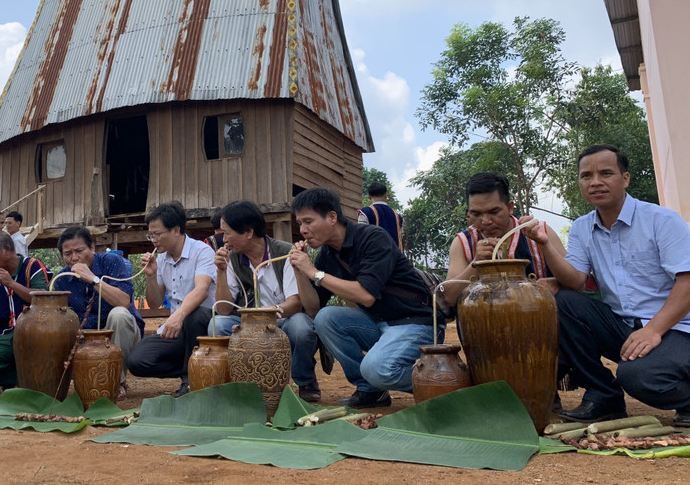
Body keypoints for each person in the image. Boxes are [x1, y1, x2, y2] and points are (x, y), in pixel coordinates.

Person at [523, 145, 690, 425]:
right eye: (586, 176)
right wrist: (544, 244)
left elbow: (687, 283)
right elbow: (575, 282)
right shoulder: (582, 228)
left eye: (606, 173)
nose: (595, 182)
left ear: (625, 178)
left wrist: (653, 330)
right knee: (564, 302)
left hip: (676, 328)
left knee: (639, 377)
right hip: (623, 327)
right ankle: (603, 396)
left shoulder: (661, 220)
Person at [289, 187, 438, 409]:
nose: (303, 230)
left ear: (332, 217)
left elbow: (365, 296)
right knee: (325, 318)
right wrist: (301, 272)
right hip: (379, 324)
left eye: (308, 221)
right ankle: (371, 390)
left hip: (414, 323)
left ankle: (445, 380)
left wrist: (314, 272)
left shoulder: (372, 238)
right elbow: (313, 309)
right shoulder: (328, 254)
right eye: (300, 223)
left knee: (378, 370)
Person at [207, 200, 323, 402]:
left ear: (248, 232)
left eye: (227, 233)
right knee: (218, 324)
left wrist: (269, 312)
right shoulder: (232, 259)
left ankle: (305, 380)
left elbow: (295, 303)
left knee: (301, 328)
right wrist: (221, 271)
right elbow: (224, 310)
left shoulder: (285, 253)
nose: (224, 240)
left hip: (284, 319)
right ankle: (242, 382)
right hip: (249, 323)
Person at [126, 201, 215, 397]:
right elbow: (155, 302)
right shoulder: (162, 259)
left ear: (176, 230)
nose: (153, 240)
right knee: (137, 361)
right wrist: (151, 276)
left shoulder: (202, 251)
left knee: (195, 316)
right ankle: (194, 365)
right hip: (178, 330)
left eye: (157, 234)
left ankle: (189, 381)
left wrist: (178, 316)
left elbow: (202, 291)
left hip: (204, 327)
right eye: (151, 235)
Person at [442, 172, 565, 307]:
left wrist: (557, 282)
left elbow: (576, 281)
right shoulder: (463, 243)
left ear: (510, 207)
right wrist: (476, 262)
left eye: (494, 212)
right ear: (468, 214)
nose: (486, 221)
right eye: (476, 214)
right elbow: (450, 298)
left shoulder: (539, 233)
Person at [54, 226, 145, 400]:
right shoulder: (61, 279)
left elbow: (123, 301)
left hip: (121, 336)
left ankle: (116, 381)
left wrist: (93, 279)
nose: (74, 258)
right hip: (84, 340)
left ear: (92, 248)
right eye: (68, 254)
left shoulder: (112, 262)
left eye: (79, 251)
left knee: (119, 314)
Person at [0, 230, 49, 389]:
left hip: (33, 332)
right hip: (5, 335)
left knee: (44, 355)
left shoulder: (32, 266)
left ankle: (27, 378)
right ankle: (20, 378)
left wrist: (11, 283)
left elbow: (43, 298)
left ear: (8, 250)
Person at [357, 182, 404, 250]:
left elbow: (361, 236)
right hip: (395, 255)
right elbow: (401, 237)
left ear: (369, 197)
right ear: (385, 196)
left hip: (374, 254)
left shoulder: (365, 212)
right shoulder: (398, 216)